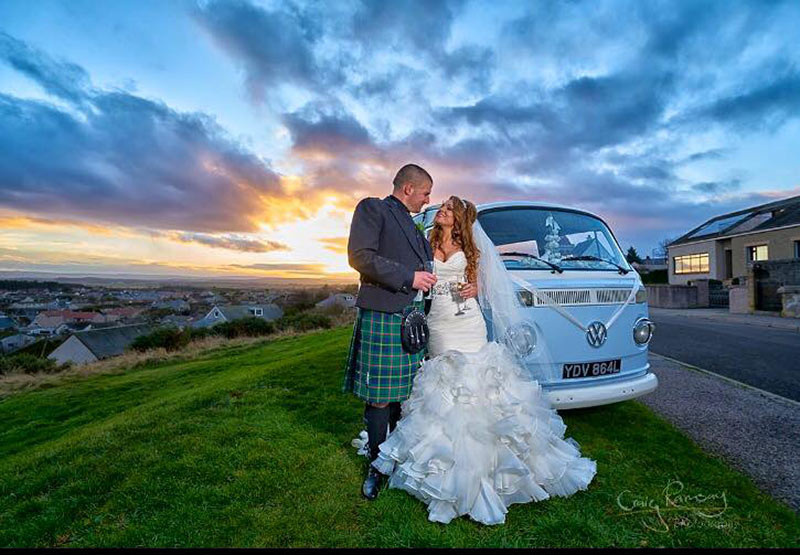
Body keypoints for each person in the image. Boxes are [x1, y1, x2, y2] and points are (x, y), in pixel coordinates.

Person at [363, 195, 597, 525]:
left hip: (467, 322)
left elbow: (491, 283)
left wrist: (475, 288)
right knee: (444, 383)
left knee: (477, 382)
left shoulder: (471, 248)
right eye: (442, 207)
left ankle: (489, 460)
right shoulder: (426, 242)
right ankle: (440, 457)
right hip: (439, 323)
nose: (441, 210)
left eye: (448, 209)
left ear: (458, 219)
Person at [344, 163, 452, 500]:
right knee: (379, 396)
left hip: (411, 316)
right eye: (425, 193)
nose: (428, 200)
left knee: (402, 394)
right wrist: (409, 277)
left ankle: (394, 453)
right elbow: (359, 256)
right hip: (384, 313)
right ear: (408, 189)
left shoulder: (413, 224)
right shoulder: (373, 208)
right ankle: (377, 465)